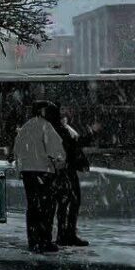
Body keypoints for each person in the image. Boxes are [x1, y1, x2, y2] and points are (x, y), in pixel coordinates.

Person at [13, 101, 67, 253]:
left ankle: (33, 239)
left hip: (27, 172)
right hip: (43, 170)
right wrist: (60, 160)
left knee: (33, 207)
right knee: (46, 207)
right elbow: (56, 149)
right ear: (44, 112)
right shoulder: (46, 126)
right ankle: (45, 240)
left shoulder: (25, 127)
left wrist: (21, 168)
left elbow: (17, 150)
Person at [45, 104, 99, 247]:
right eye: (62, 111)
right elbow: (72, 146)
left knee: (66, 203)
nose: (66, 114)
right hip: (65, 170)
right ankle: (66, 234)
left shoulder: (59, 128)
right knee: (68, 202)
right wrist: (90, 134)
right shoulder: (60, 129)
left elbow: (74, 144)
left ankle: (65, 234)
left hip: (64, 169)